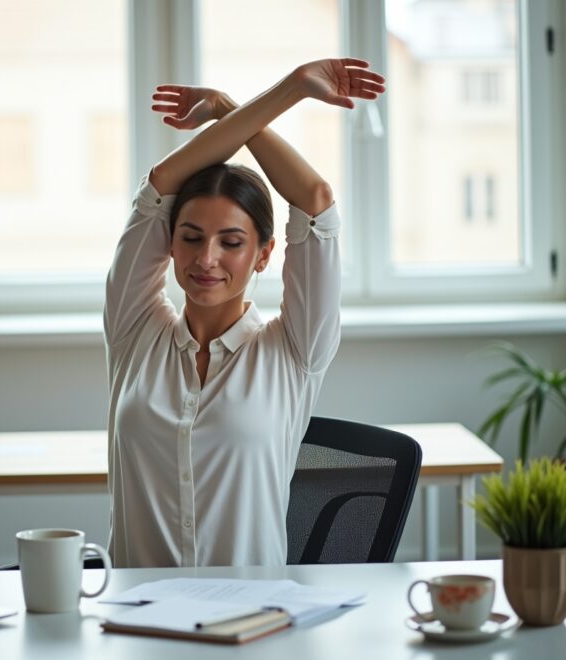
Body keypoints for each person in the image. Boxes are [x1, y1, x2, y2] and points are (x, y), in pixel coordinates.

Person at [104, 59, 386, 568]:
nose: (206, 258)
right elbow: (162, 183)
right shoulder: (133, 328)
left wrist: (274, 95)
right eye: (190, 238)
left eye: (231, 242)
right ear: (170, 243)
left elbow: (316, 201)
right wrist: (227, 113)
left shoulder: (295, 349)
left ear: (263, 254)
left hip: (250, 622)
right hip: (133, 620)